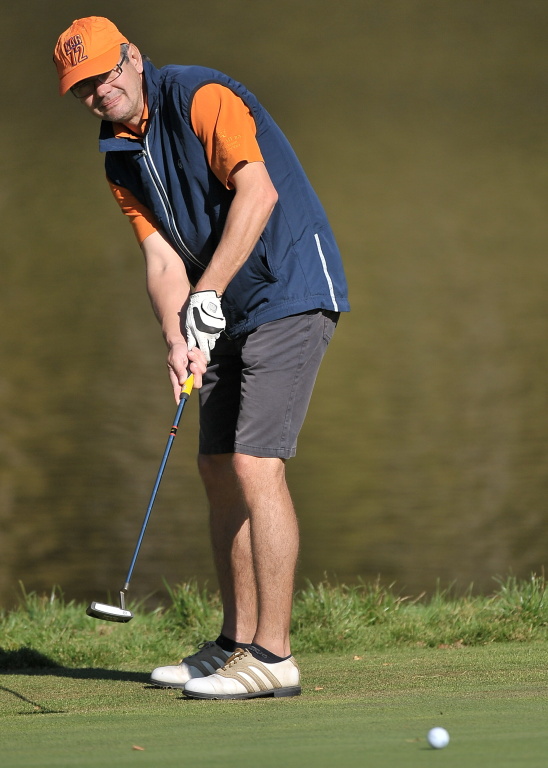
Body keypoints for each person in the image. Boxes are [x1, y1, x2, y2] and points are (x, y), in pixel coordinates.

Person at [54, 16, 349, 700]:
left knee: (254, 461)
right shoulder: (117, 156)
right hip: (220, 309)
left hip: (289, 288)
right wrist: (177, 336)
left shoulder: (200, 96)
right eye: (83, 88)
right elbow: (161, 259)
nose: (99, 93)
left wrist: (208, 291)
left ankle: (274, 656)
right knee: (216, 466)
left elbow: (259, 192)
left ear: (132, 57)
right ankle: (235, 644)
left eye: (104, 74)